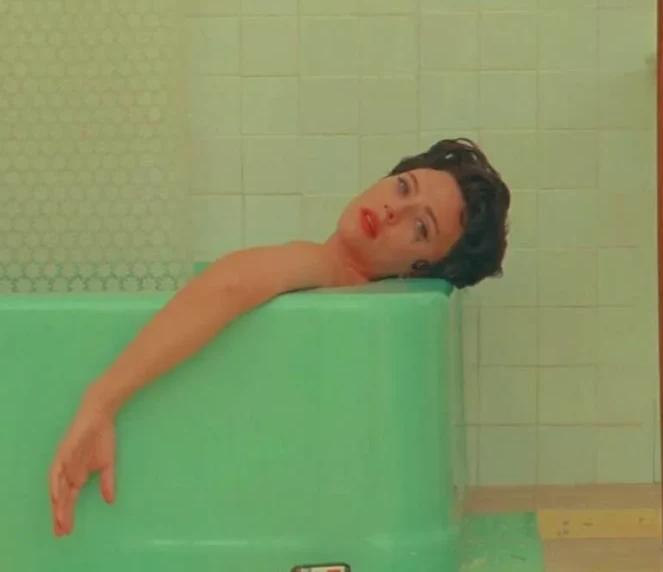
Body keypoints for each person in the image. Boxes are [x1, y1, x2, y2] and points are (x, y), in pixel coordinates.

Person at [48, 138, 512, 537]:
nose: (395, 208)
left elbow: (231, 284)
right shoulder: (342, 288)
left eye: (420, 226)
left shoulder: (328, 268)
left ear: (418, 272)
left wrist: (100, 402)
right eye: (403, 186)